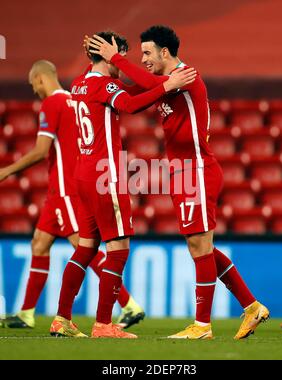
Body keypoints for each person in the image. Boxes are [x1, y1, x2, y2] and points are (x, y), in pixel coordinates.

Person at [87, 25, 270, 340]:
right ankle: (251, 306)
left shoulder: (186, 77)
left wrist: (115, 56)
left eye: (146, 53)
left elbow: (146, 83)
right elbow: (137, 91)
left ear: (164, 52)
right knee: (202, 247)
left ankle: (202, 326)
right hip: (182, 172)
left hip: (196, 169)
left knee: (200, 246)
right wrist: (98, 68)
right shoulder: (168, 82)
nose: (142, 59)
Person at [50, 31, 196, 339]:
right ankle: (104, 324)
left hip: (83, 173)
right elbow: (130, 104)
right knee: (117, 250)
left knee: (87, 248)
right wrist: (168, 85)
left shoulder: (80, 82)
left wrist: (101, 55)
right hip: (106, 176)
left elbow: (132, 87)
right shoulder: (105, 85)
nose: (125, 63)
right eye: (120, 56)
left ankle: (62, 318)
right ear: (105, 55)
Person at [0, 60, 144, 331]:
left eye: (34, 85)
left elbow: (42, 151)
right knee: (40, 244)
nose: (34, 91)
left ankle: (128, 304)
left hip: (66, 190)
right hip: (66, 187)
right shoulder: (76, 97)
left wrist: (7, 170)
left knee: (85, 248)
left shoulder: (52, 104)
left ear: (41, 78)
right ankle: (27, 313)